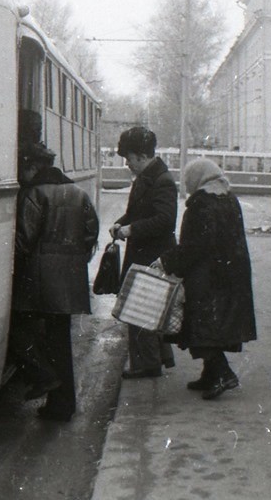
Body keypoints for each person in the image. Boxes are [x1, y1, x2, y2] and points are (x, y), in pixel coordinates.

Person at [10, 143, 99, 422]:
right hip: (69, 281)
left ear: (34, 167)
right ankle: (63, 406)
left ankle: (43, 375)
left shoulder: (34, 193)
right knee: (60, 341)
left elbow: (23, 241)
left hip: (38, 281)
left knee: (17, 327)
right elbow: (90, 234)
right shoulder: (78, 192)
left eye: (25, 168)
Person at [157, 159, 256, 400]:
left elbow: (195, 245)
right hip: (231, 275)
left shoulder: (202, 204)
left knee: (201, 326)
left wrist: (166, 261)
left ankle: (223, 373)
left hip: (207, 276)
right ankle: (209, 374)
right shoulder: (229, 198)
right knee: (215, 326)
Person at [110, 126, 177, 379]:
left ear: (141, 156)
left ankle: (147, 365)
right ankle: (153, 360)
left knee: (141, 311)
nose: (127, 164)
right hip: (145, 253)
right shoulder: (150, 178)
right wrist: (122, 222)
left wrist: (131, 230)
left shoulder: (162, 182)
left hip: (153, 256)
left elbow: (165, 220)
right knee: (143, 310)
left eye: (129, 158)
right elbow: (138, 212)